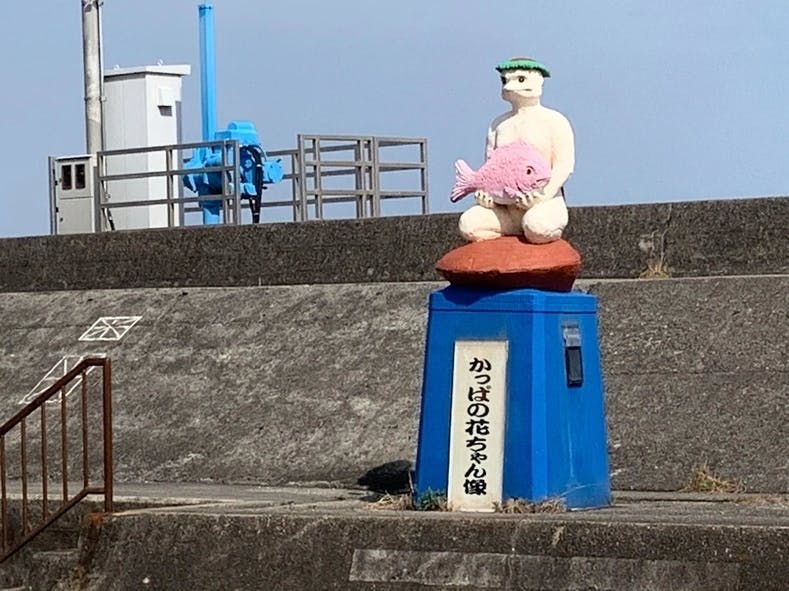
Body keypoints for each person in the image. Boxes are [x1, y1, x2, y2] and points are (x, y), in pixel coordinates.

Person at [458, 57, 575, 244]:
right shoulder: (498, 125)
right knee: (469, 225)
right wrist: (486, 194)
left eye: (520, 79)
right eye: (504, 80)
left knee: (538, 227)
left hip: (545, 202)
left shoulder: (555, 121)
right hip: (505, 210)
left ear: (539, 81)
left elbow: (564, 166)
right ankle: (502, 250)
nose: (509, 86)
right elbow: (491, 168)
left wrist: (543, 196)